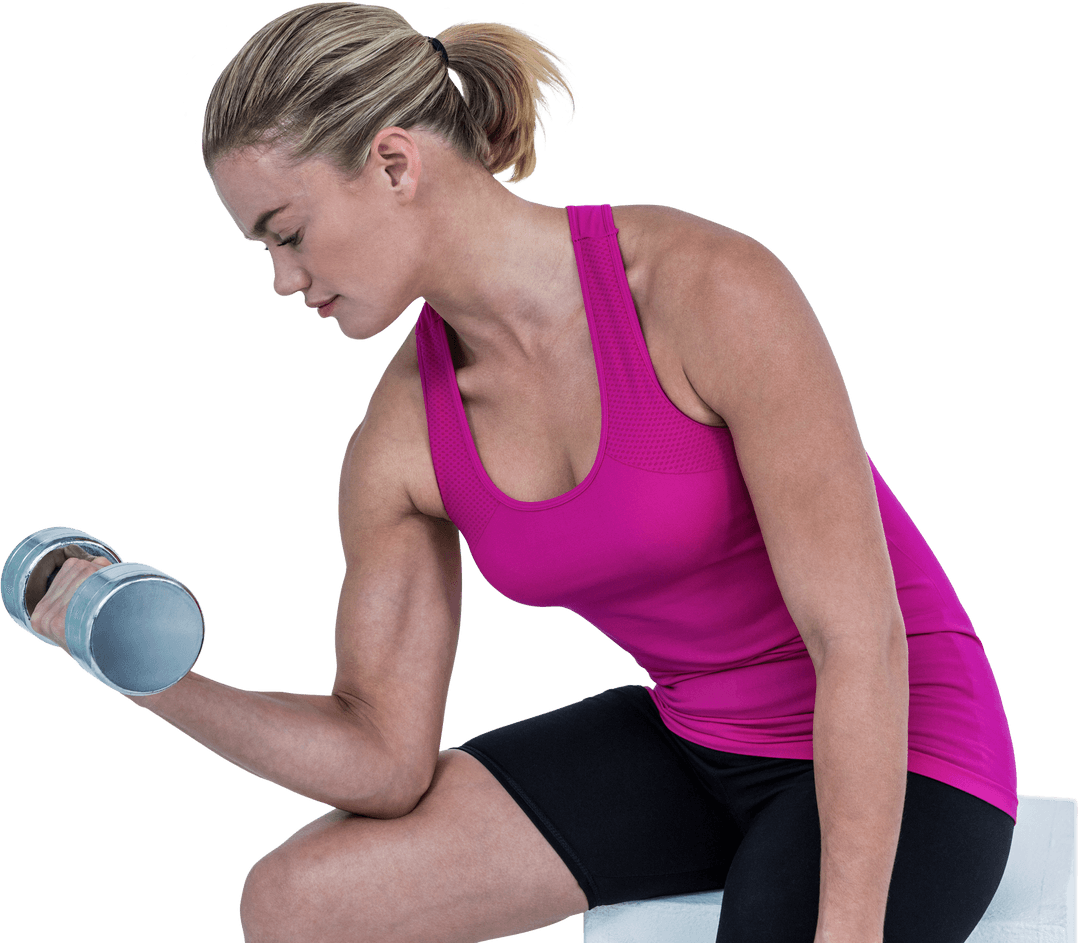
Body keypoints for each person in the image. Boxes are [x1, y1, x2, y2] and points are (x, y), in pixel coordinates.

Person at [28, 3, 1018, 941]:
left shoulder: (705, 290)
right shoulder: (402, 442)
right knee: (299, 901)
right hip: (694, 740)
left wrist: (845, 931)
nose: (284, 279)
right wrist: (146, 672)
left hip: (908, 745)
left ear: (392, 161)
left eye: (286, 232)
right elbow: (382, 756)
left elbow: (860, 641)